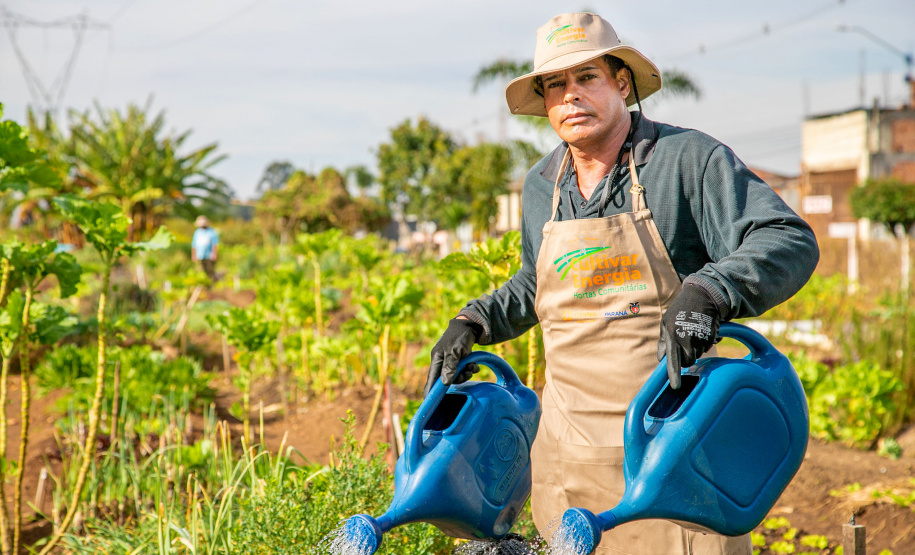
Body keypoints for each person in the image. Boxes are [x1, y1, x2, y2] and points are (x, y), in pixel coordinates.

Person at [423, 12, 819, 555]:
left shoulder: (684, 162)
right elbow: (534, 282)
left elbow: (787, 238)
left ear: (622, 83)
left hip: (674, 453)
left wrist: (710, 291)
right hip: (569, 457)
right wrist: (473, 320)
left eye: (587, 78)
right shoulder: (542, 184)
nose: (570, 97)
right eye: (555, 85)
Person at [191, 215, 219, 281]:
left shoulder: (211, 232)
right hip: (200, 255)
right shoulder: (197, 232)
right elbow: (194, 245)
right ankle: (205, 283)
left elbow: (214, 244)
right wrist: (193, 255)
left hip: (209, 255)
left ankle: (212, 282)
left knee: (210, 269)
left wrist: (214, 253)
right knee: (202, 270)